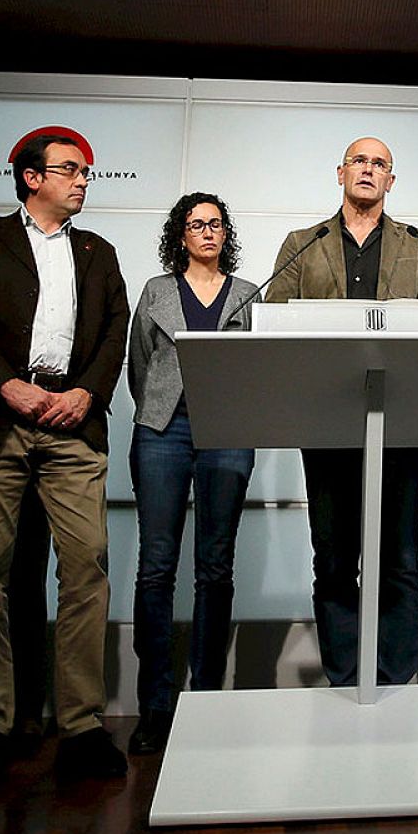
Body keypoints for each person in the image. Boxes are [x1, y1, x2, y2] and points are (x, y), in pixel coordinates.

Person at [0, 132, 130, 779]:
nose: (81, 182)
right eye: (70, 171)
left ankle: (80, 725)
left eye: (85, 173)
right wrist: (4, 383)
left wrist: (86, 391)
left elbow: (113, 331)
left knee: (86, 571)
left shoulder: (97, 252)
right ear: (29, 177)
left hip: (73, 427)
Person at [264, 136, 418, 687]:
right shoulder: (303, 243)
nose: (369, 170)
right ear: (340, 172)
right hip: (325, 424)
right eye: (360, 161)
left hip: (401, 422)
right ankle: (344, 679)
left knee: (399, 560)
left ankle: (396, 681)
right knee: (335, 561)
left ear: (391, 181)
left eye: (380, 164)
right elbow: (276, 322)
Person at [125, 192, 258, 754]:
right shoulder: (157, 290)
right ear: (179, 234)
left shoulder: (249, 295)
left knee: (215, 569)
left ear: (227, 233)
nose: (207, 232)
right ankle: (156, 705)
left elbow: (261, 366)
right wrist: (160, 410)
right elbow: (139, 365)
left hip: (227, 433)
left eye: (216, 224)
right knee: (156, 569)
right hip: (162, 432)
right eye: (196, 224)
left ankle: (205, 698)